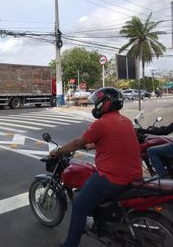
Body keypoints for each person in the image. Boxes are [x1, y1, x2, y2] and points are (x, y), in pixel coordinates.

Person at [49, 87, 142, 247]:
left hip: (113, 178)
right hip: (134, 174)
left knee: (79, 205)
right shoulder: (125, 121)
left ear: (105, 104)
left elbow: (78, 142)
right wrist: (94, 145)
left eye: (97, 102)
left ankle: (70, 244)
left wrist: (58, 151)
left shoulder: (102, 124)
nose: (95, 106)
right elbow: (115, 141)